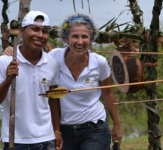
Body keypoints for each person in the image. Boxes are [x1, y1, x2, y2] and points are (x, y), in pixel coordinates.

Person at [2, 13, 123, 150]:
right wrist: (11, 49)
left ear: (91, 39)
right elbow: (34, 57)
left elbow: (108, 93)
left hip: (94, 127)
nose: (80, 41)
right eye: (75, 36)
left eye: (84, 37)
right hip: (64, 129)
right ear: (66, 38)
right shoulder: (54, 58)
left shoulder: (99, 62)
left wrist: (117, 125)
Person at [0, 11, 62, 150]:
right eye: (34, 29)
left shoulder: (52, 62)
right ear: (21, 31)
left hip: (47, 139)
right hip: (15, 139)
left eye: (45, 31)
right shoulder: (5, 61)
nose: (40, 35)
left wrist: (57, 130)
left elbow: (53, 99)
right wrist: (8, 78)